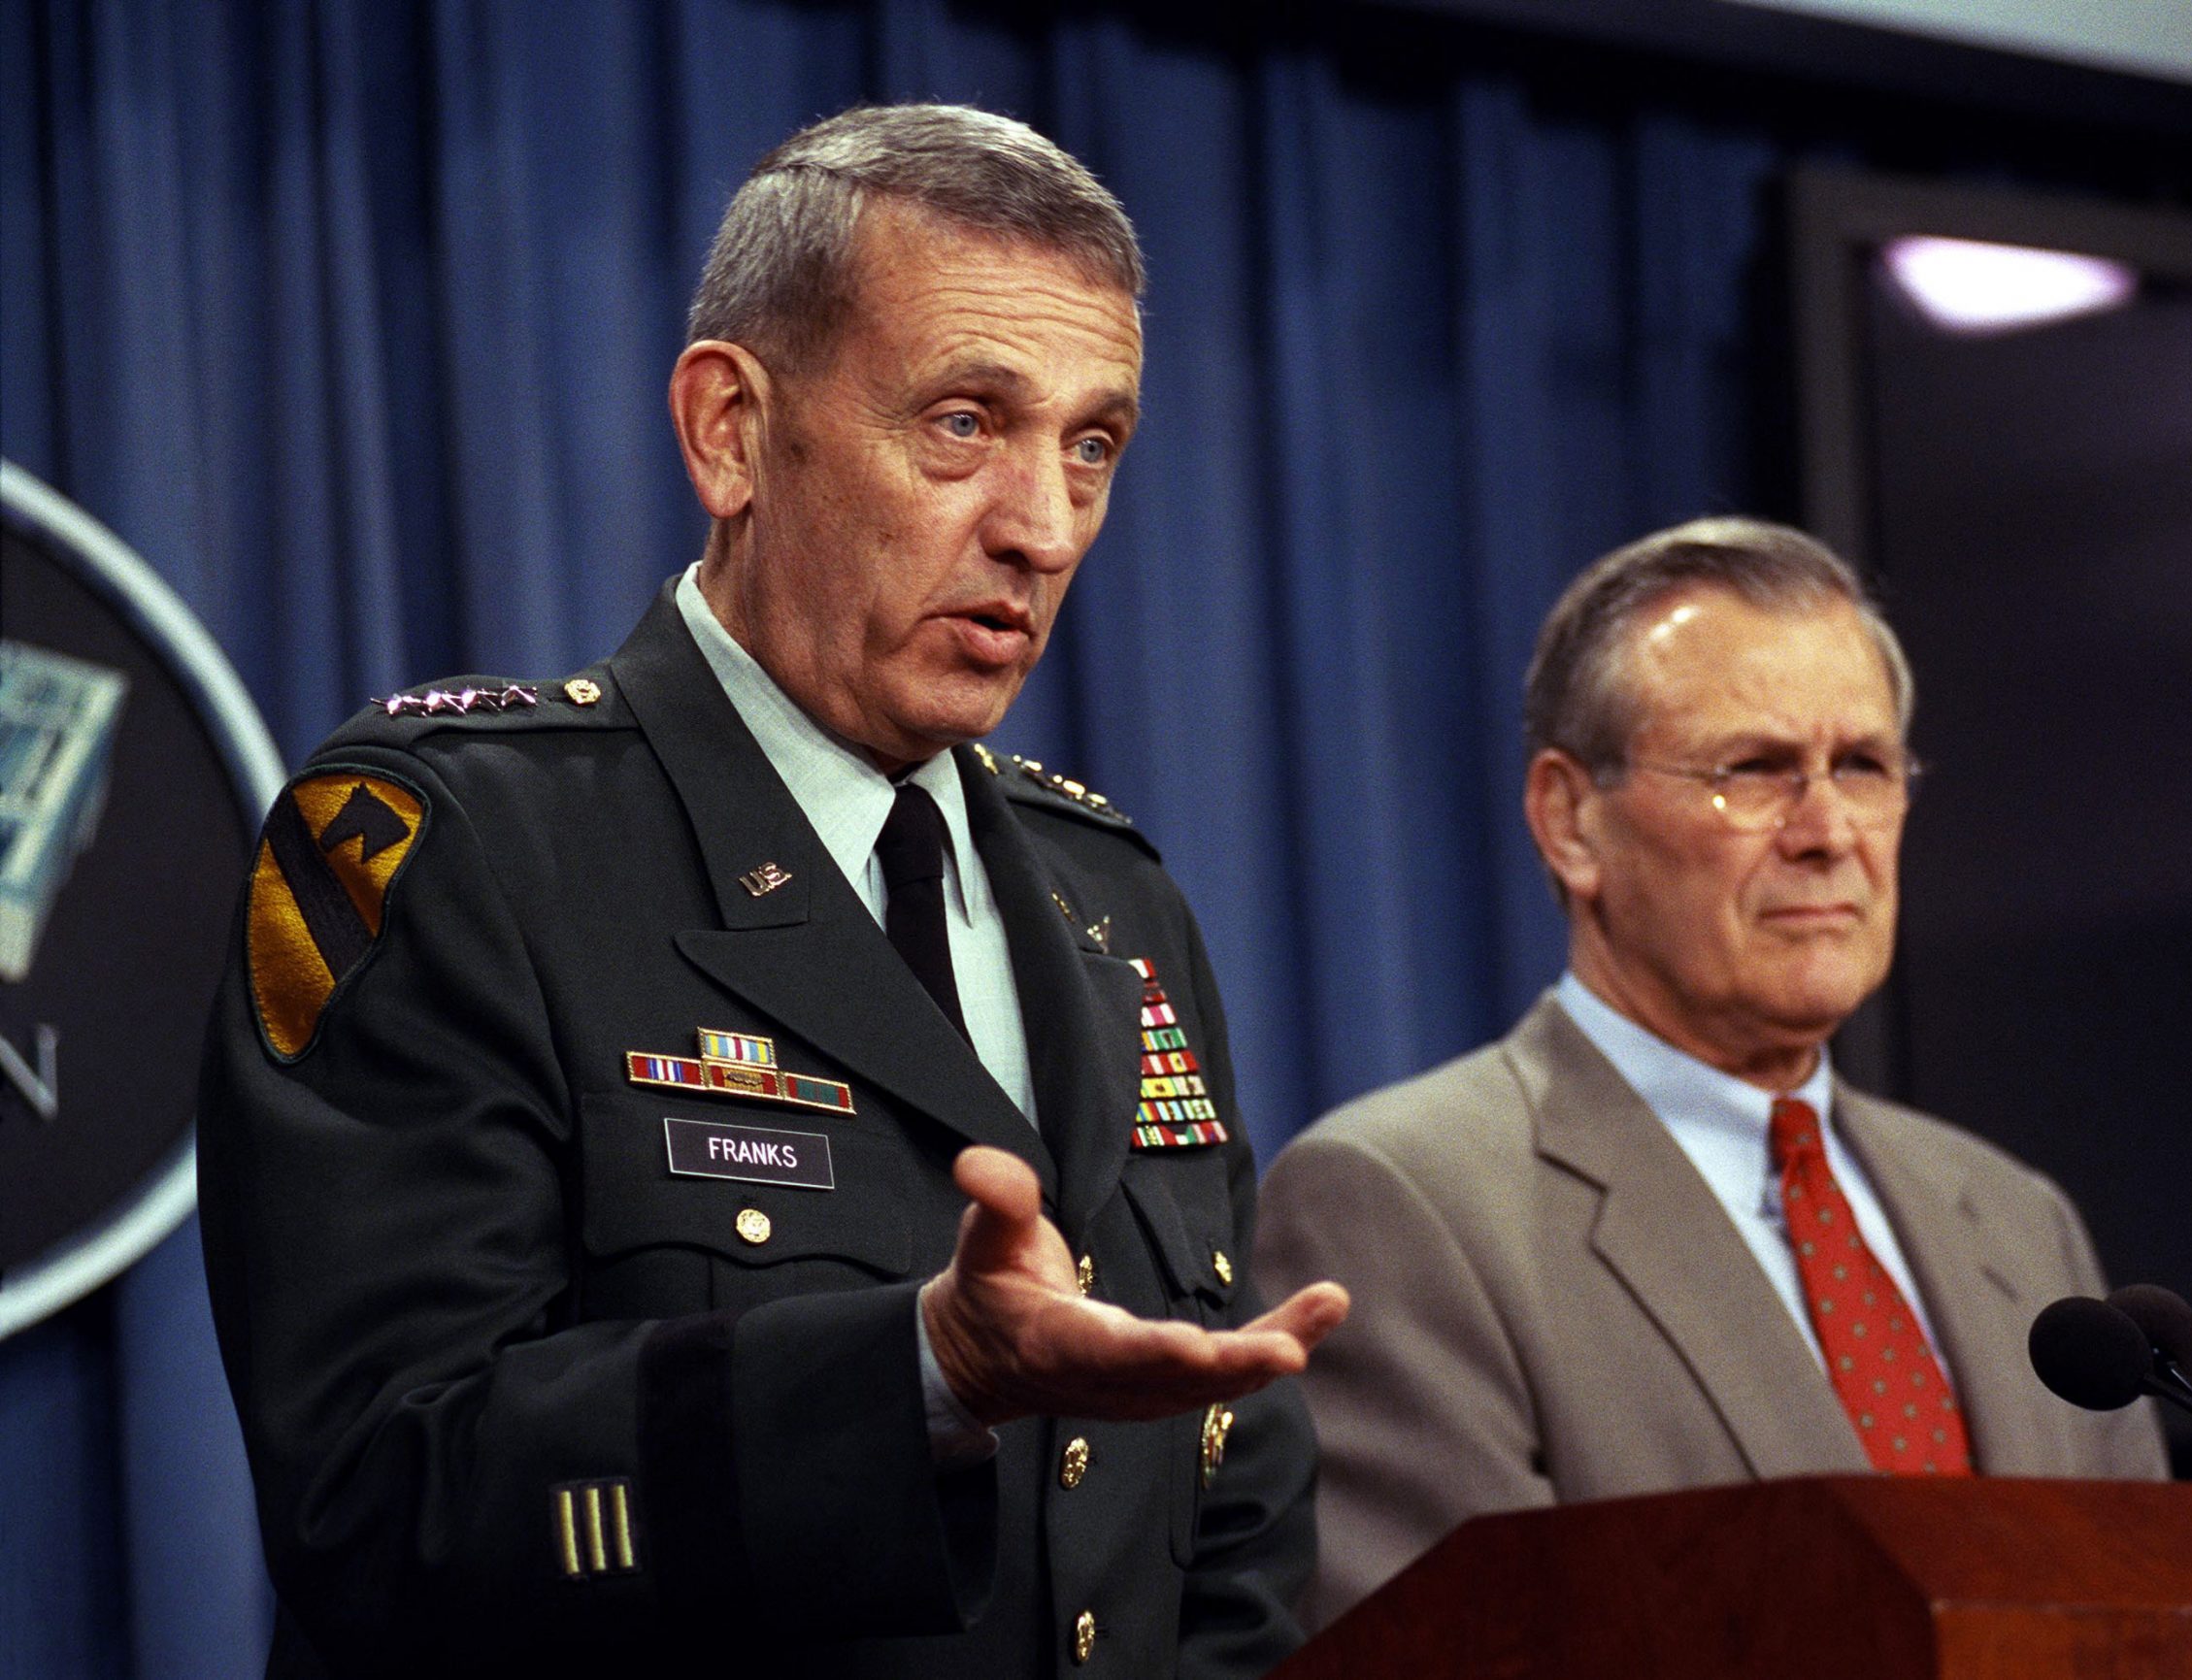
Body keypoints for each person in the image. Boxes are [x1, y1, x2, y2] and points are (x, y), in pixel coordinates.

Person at [198, 104, 1345, 1679]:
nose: (1043, 526)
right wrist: (918, 1375)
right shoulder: (450, 843)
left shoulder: (1112, 895)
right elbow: (382, 1506)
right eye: (963, 422)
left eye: (1091, 443)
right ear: (731, 430)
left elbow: (1237, 1514)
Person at [1253, 515, 2165, 1631]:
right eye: (1755, 770)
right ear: (1570, 820)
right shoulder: (1399, 1205)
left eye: (1864, 766)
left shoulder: (2020, 1225)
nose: (1828, 830)